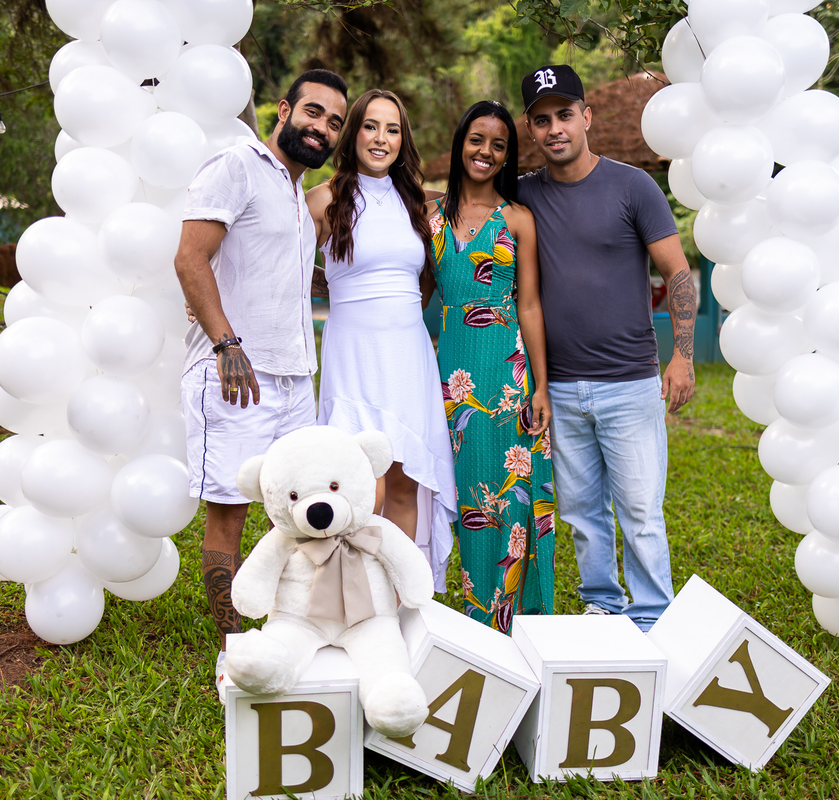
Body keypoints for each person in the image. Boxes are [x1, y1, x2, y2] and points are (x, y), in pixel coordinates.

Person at [174, 69, 349, 702]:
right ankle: (231, 648)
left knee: (302, 512)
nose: (322, 127)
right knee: (230, 512)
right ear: (284, 109)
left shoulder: (298, 195)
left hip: (295, 379)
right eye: (313, 112)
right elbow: (189, 257)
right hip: (235, 374)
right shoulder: (237, 165)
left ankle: (294, 630)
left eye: (334, 122)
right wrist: (227, 343)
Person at [517, 64, 697, 631]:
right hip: (559, 386)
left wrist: (683, 355)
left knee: (640, 512)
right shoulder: (523, 195)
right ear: (531, 128)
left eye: (565, 115)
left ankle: (651, 619)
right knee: (581, 513)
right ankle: (603, 603)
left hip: (629, 383)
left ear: (586, 117)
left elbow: (678, 273)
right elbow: (460, 200)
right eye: (542, 120)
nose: (555, 129)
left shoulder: (632, 186)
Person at [305, 89, 457, 590]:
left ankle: (396, 594)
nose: (381, 138)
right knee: (356, 484)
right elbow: (283, 267)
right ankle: (349, 594)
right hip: (354, 354)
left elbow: (429, 278)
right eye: (371, 126)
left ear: (402, 140)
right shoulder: (324, 200)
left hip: (408, 354)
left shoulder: (420, 203)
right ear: (353, 134)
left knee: (405, 481)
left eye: (392, 130)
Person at [425, 100, 554, 634]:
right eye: (477, 140)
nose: (486, 152)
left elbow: (530, 304)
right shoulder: (429, 216)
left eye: (498, 145)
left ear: (507, 156)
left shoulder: (518, 219)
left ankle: (508, 622)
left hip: (506, 375)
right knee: (461, 494)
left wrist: (541, 386)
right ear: (460, 143)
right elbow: (414, 293)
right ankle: (469, 615)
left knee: (506, 495)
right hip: (449, 375)